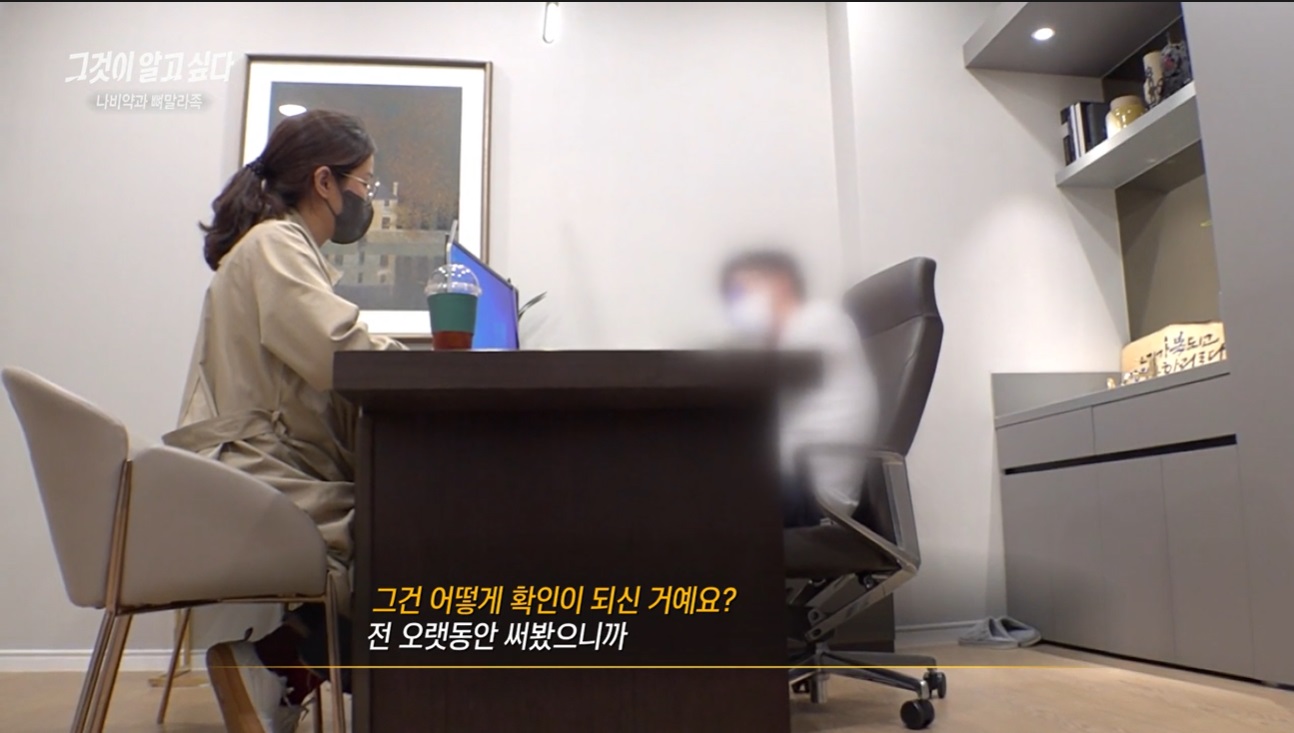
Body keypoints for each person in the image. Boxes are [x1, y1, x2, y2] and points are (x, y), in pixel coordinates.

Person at [163, 109, 406, 733]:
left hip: (266, 463)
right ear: (325, 182)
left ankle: (279, 667)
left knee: (404, 524)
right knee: (409, 533)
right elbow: (337, 350)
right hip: (258, 469)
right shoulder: (276, 244)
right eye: (365, 184)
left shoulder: (278, 249)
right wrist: (427, 370)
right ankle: (279, 665)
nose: (367, 199)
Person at [719, 249, 878, 528]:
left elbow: (745, 382)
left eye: (743, 290)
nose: (739, 303)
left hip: (813, 497)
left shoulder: (816, 321)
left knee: (692, 484)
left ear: (780, 282)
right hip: (795, 483)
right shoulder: (791, 335)